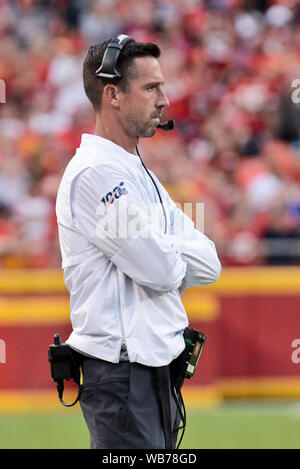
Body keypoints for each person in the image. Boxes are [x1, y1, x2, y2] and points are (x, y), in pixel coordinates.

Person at [55, 35, 222, 449]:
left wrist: (158, 242)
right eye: (151, 88)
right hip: (121, 374)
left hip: (152, 370)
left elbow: (210, 263)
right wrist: (164, 247)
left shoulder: (136, 172)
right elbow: (161, 269)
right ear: (112, 94)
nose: (164, 99)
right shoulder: (95, 173)